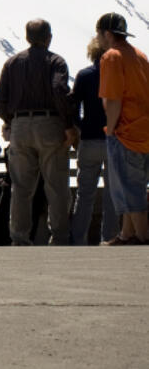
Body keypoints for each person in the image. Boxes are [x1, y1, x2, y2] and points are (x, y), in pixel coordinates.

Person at [0, 19, 75, 246]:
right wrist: (68, 124)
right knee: (56, 186)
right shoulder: (56, 62)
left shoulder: (12, 63)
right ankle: (59, 237)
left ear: (27, 37)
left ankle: (19, 237)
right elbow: (59, 89)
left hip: (20, 126)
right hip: (50, 124)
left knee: (21, 187)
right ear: (49, 37)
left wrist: (12, 121)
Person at [94, 13, 149, 245]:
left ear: (107, 34)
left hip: (125, 132)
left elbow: (113, 100)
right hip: (144, 130)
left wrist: (111, 130)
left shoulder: (111, 57)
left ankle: (144, 237)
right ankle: (127, 235)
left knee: (129, 189)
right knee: (133, 185)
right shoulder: (139, 55)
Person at [70, 37, 119, 244]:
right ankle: (109, 238)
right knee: (111, 195)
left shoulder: (84, 75)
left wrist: (80, 126)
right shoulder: (118, 75)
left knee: (85, 194)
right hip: (114, 140)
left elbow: (73, 105)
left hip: (89, 140)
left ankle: (78, 238)